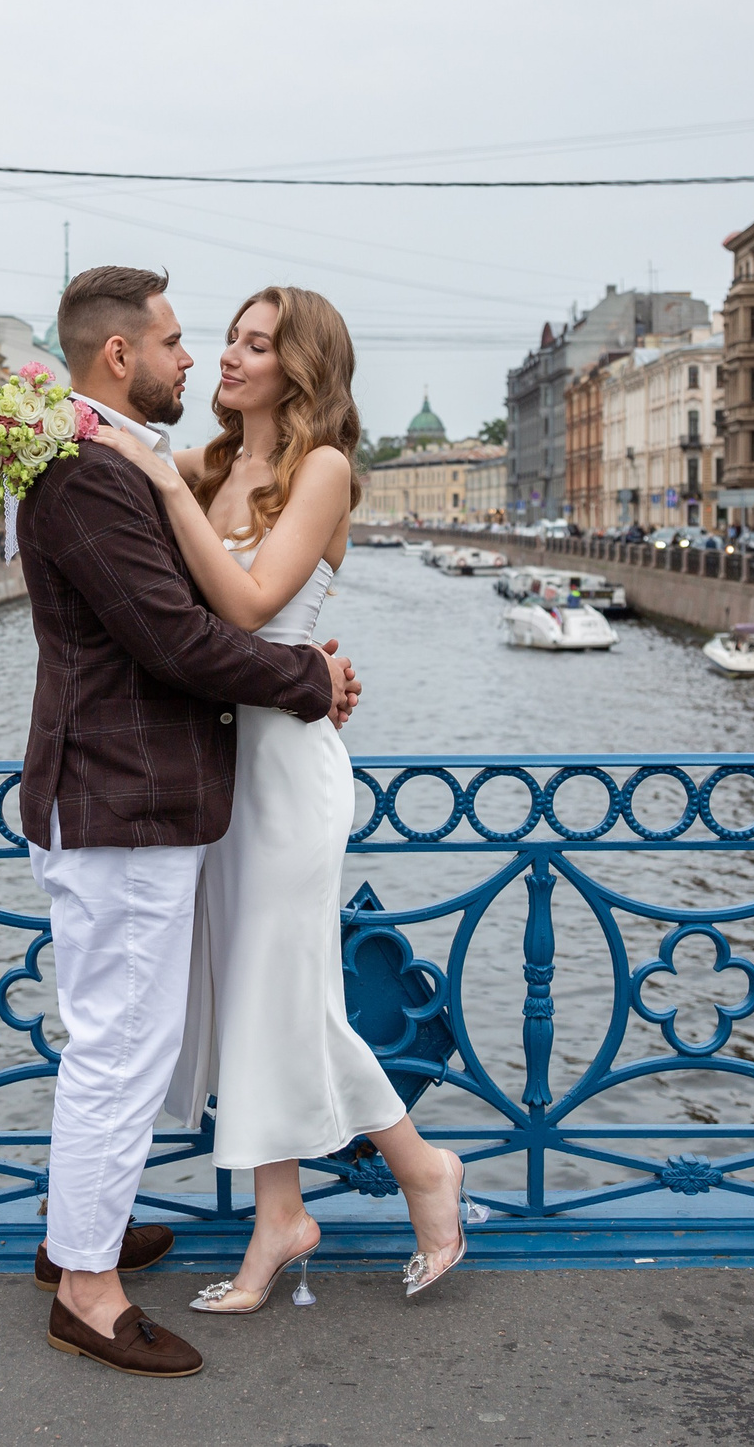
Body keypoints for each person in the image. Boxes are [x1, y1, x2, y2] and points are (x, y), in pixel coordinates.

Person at [92, 285, 475, 1320]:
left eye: (256, 345)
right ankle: (292, 1212)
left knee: (286, 995)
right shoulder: (208, 465)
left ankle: (416, 1173)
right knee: (257, 998)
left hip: (288, 769)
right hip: (216, 764)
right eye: (228, 338)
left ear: (298, 367)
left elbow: (254, 605)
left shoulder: (324, 469)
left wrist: (164, 486)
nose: (228, 357)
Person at [15, 266, 359, 1380]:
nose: (194, 358)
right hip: (122, 797)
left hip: (126, 794)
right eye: (174, 341)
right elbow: (176, 638)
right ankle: (89, 1292)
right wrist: (307, 677)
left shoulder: (109, 460)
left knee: (119, 1039)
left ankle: (84, 1234)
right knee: (120, 1048)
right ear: (120, 355)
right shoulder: (91, 473)